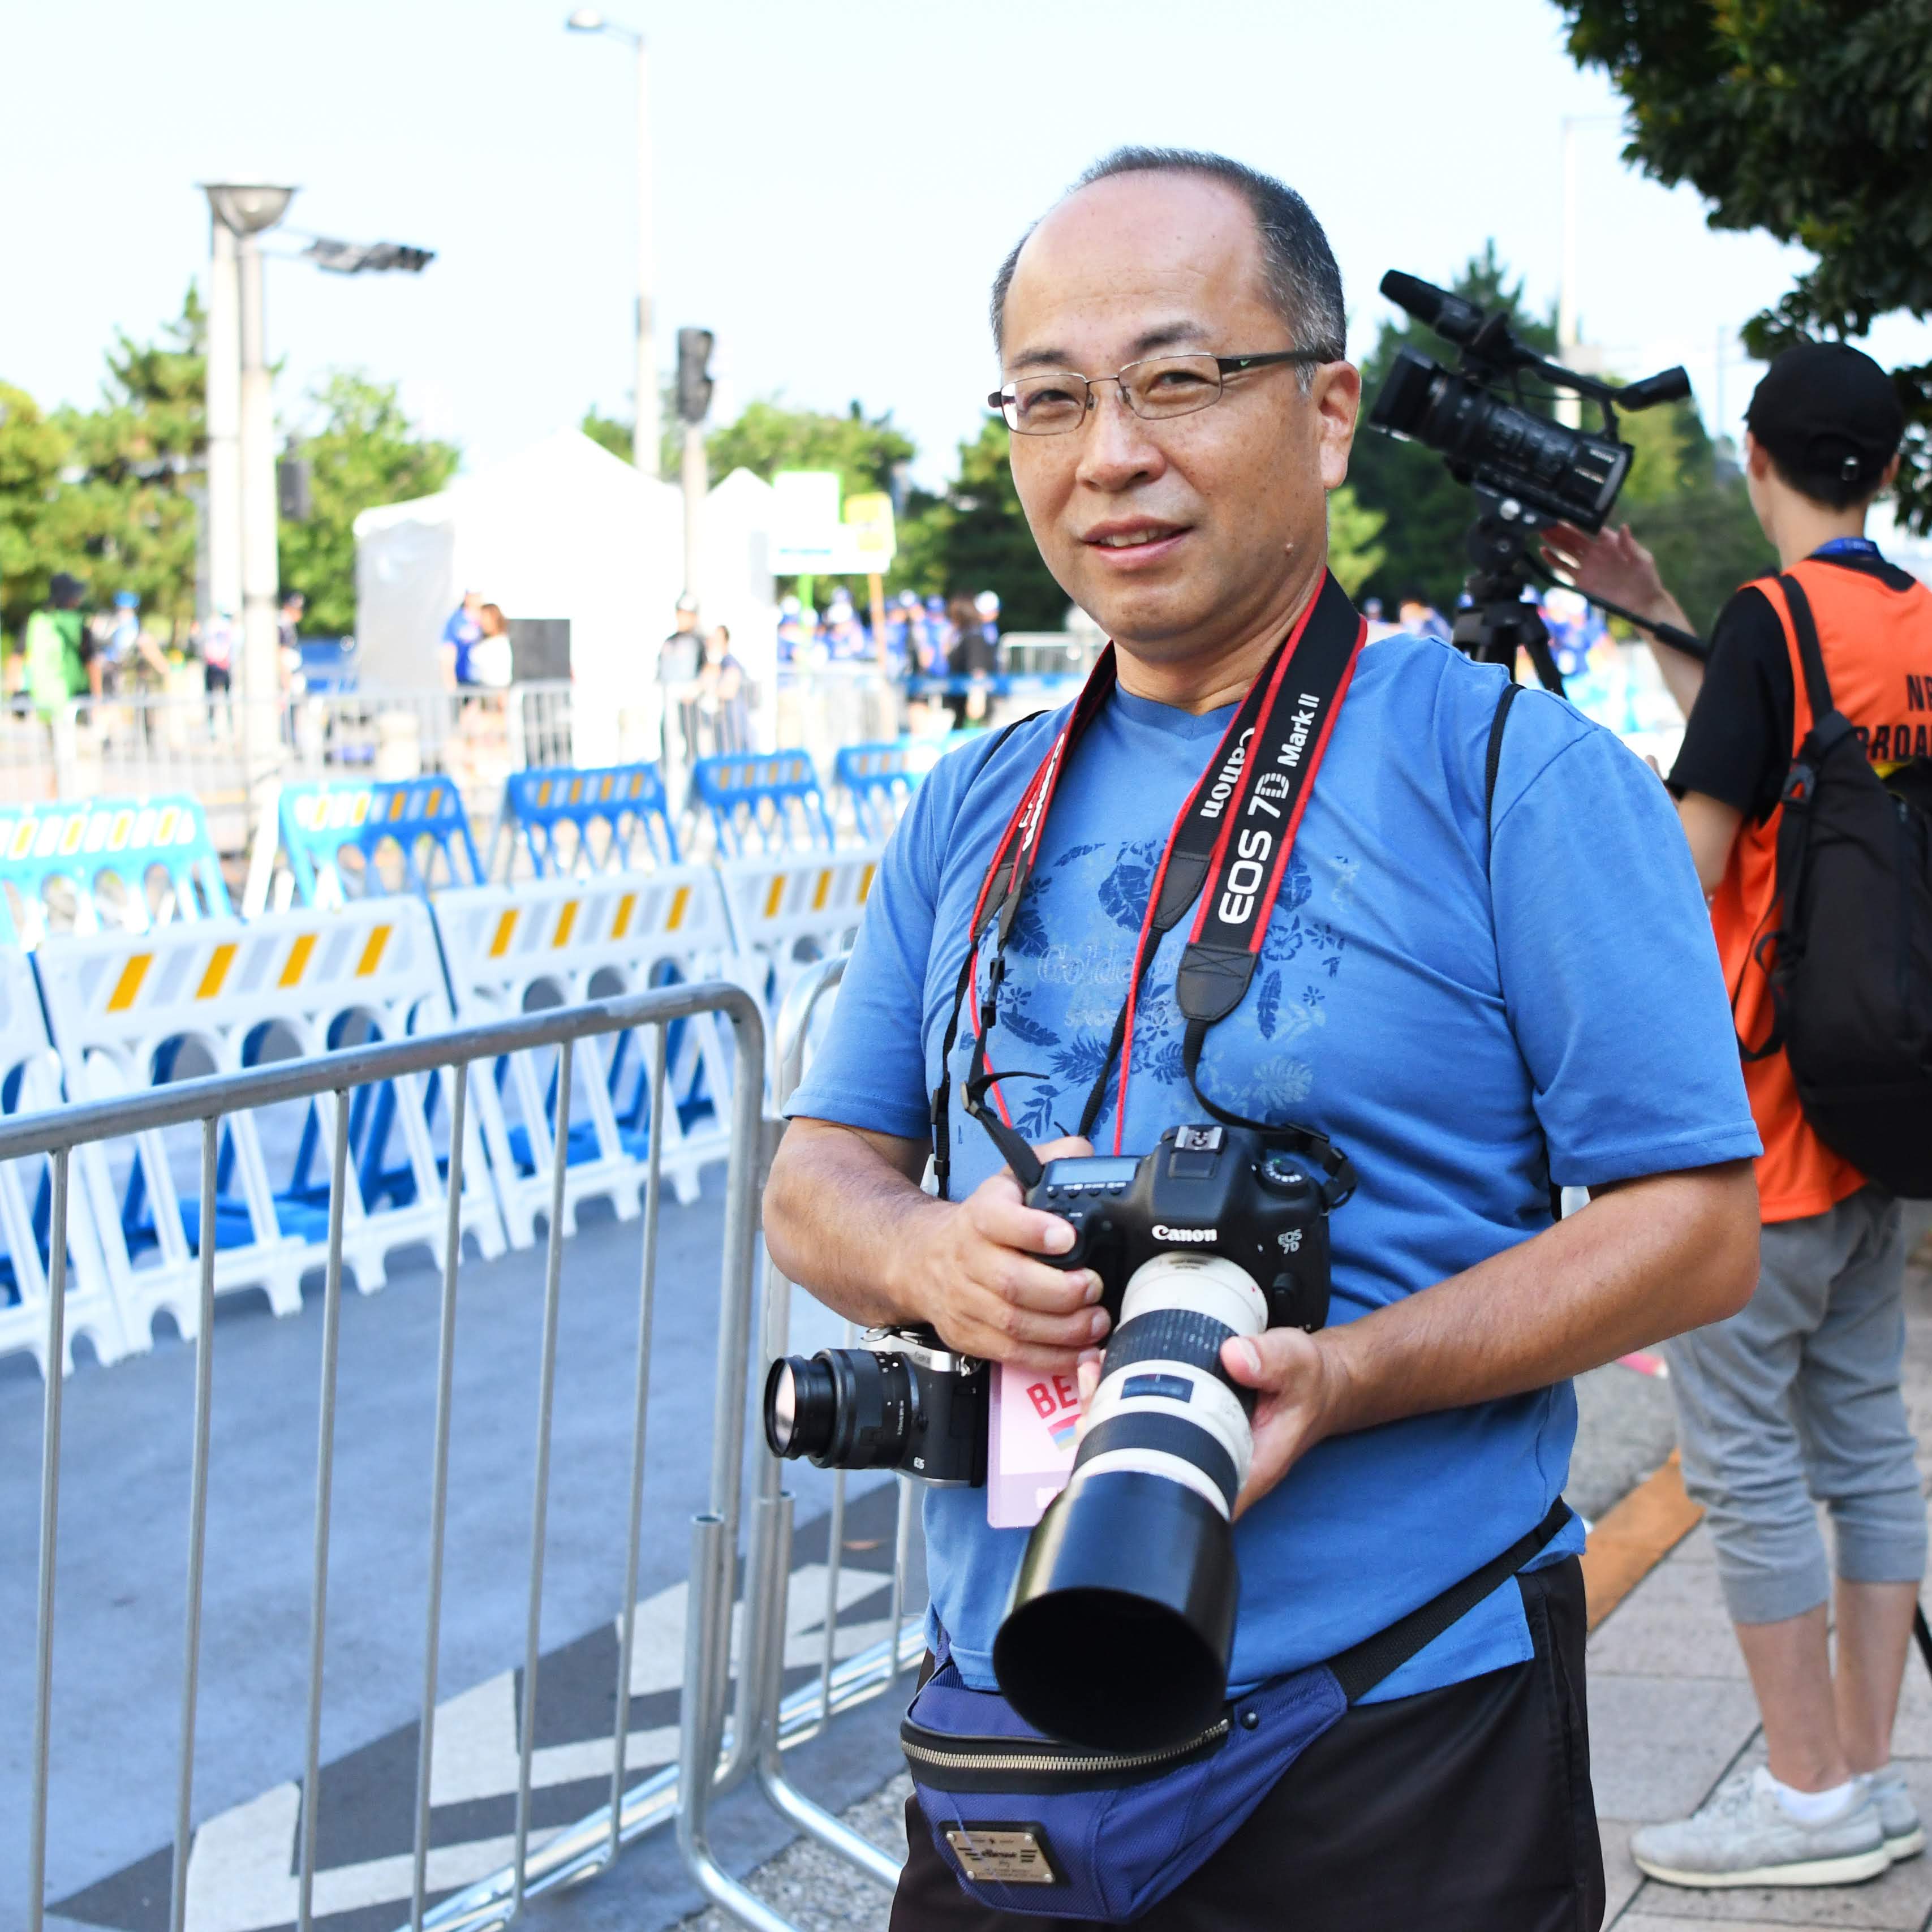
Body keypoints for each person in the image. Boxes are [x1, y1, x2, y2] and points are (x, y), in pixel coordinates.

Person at [764, 145, 1762, 1931]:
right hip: (1005, 1719)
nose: (1107, 454)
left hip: (1390, 1724)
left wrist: (1351, 1372)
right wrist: (923, 1255)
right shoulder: (968, 801)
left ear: (1325, 411)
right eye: (1049, 399)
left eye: (1175, 379)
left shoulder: (1512, 775)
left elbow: (1691, 1227)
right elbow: (814, 1178)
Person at [1544, 340, 1930, 1890]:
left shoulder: (1772, 618)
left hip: (1759, 1125)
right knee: (1864, 1444)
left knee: (1748, 1467)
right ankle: (1858, 1771)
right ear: (1886, 470)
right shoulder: (1909, 622)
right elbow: (1801, 767)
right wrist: (1651, 612)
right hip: (1877, 1115)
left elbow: (1693, 856)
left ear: (1756, 458)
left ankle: (1802, 1790)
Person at [24, 573, 91, 719]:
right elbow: (91, 662)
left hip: (40, 696)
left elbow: (17, 658)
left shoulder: (37, 621)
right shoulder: (78, 623)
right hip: (71, 696)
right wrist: (98, 700)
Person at [660, 593, 705, 764]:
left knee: (690, 745)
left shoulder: (699, 641)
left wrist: (696, 689)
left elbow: (707, 669)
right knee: (668, 740)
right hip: (669, 700)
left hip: (690, 703)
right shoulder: (670, 641)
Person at [697, 622, 751, 753]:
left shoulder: (729, 662)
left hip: (734, 722)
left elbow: (729, 690)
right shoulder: (716, 664)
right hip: (724, 724)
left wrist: (711, 689)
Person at [441, 590, 483, 689]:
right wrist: (450, 680)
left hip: (484, 681)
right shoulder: (456, 620)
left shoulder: (486, 616)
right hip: (462, 679)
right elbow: (448, 651)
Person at [471, 601, 514, 690]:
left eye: (485, 618)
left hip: (493, 691)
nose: (482, 622)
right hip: (480, 690)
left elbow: (501, 677)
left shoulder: (499, 643)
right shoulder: (481, 641)